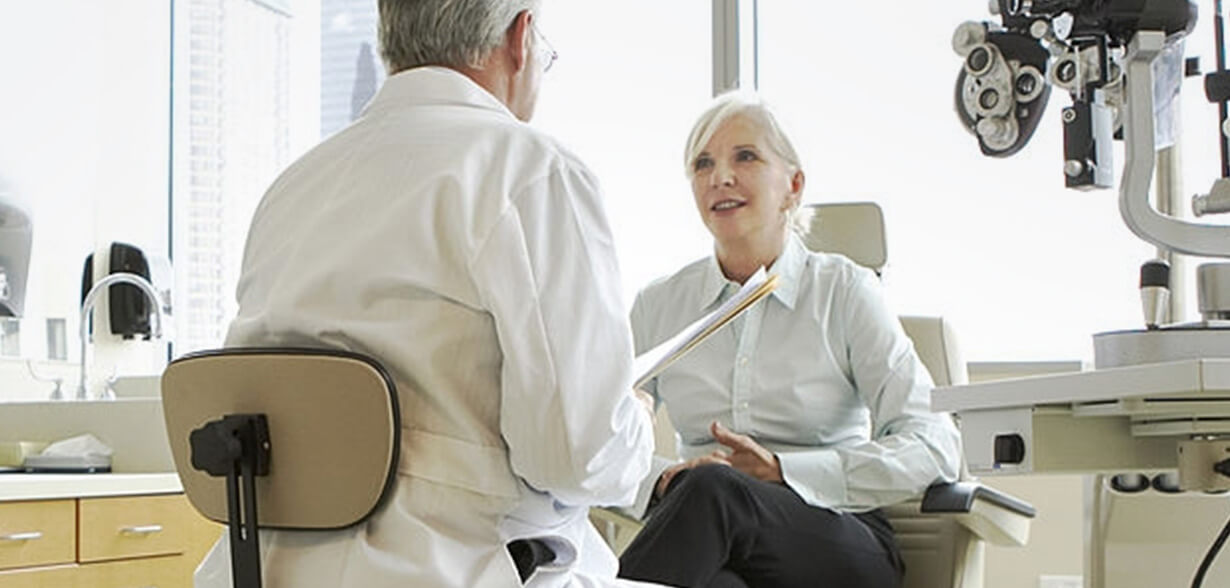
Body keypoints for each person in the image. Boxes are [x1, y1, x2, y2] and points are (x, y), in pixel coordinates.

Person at [193, 1, 660, 586]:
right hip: (448, 568)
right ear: (521, 38)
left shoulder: (293, 187)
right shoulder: (530, 170)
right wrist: (633, 421)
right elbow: (575, 456)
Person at [616, 92, 963, 588]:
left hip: (838, 539)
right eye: (703, 164)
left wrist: (785, 471)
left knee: (716, 489)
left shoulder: (845, 292)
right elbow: (597, 443)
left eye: (746, 157)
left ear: (793, 187)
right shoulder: (658, 306)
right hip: (707, 537)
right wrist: (664, 479)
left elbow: (935, 445)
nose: (720, 177)